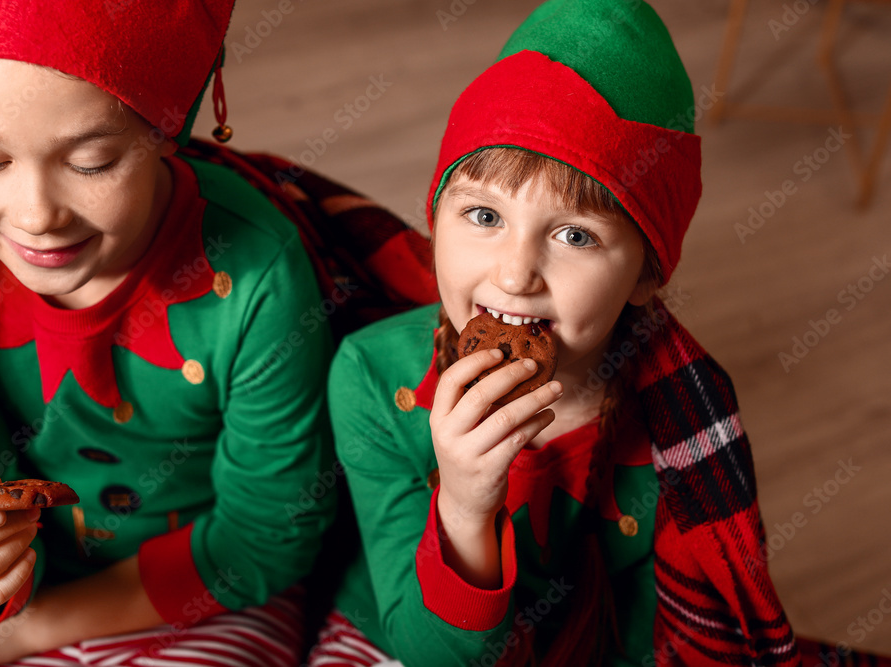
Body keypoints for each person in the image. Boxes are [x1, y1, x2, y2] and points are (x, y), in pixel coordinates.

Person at [306, 1, 891, 666]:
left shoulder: (679, 432)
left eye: (574, 234)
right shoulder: (373, 378)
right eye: (482, 214)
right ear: (434, 218)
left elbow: (654, 633)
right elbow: (428, 649)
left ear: (647, 275)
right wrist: (466, 508)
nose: (516, 271)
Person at [0, 1, 338, 665]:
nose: (36, 215)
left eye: (93, 161)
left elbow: (265, 536)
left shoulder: (255, 278)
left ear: (168, 128)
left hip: (211, 590)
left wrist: (30, 631)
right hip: (34, 587)